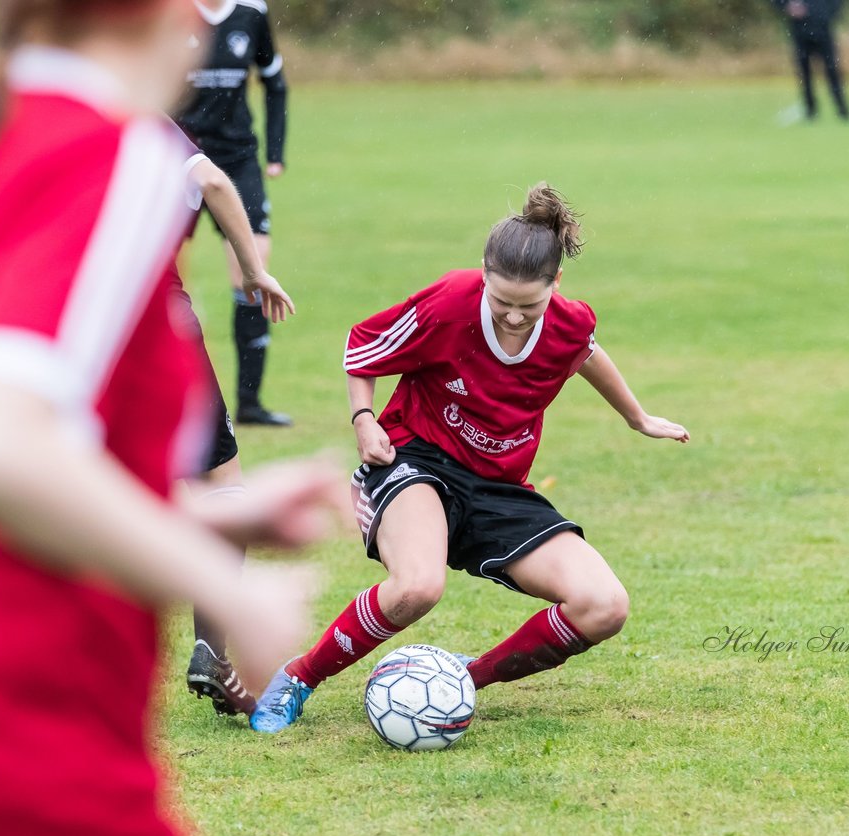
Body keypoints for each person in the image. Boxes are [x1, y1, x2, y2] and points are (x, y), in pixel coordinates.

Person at [0, 1, 339, 836]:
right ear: (174, 20)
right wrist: (226, 590)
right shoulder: (115, 155)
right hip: (22, 758)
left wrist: (212, 515)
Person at [250, 184, 691, 734]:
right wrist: (364, 422)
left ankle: (463, 681)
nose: (511, 317)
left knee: (604, 605)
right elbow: (363, 346)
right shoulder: (450, 304)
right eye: (501, 300)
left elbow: (587, 354)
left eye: (528, 306)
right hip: (416, 459)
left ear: (556, 285)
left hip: (498, 485)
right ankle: (298, 677)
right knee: (417, 587)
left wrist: (638, 417)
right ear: (484, 275)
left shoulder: (568, 321)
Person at [165, 121, 299, 718]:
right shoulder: (139, 121)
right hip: (154, 323)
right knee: (221, 484)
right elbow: (214, 181)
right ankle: (211, 649)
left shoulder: (30, 121)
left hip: (57, 330)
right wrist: (252, 268)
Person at [176, 0, 292, 426]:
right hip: (177, 155)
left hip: (237, 159)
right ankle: (176, 398)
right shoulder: (169, 11)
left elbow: (276, 83)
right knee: (162, 280)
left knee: (253, 271)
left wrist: (275, 153)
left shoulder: (251, 14)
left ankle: (249, 403)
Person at [772, 0, 849, 121]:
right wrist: (787, 6)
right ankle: (810, 110)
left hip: (823, 29)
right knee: (804, 72)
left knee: (832, 71)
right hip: (800, 30)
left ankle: (843, 110)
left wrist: (825, 15)